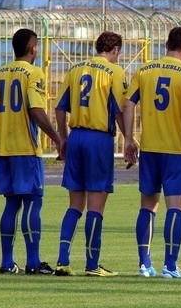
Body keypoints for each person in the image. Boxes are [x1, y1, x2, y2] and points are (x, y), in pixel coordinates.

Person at [0, 28, 61, 275]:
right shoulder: (34, 73)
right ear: (33, 48)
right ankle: (33, 263)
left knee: (11, 204)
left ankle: (7, 262)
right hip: (26, 150)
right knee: (33, 202)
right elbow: (36, 110)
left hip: (4, 150)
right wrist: (57, 138)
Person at [123, 27, 181, 278]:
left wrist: (128, 138)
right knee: (176, 208)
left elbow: (128, 103)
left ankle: (144, 263)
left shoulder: (144, 70)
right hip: (177, 150)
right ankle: (170, 265)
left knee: (147, 206)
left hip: (150, 149)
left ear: (166, 45)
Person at [53, 32, 126, 277]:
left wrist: (63, 137)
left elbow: (60, 107)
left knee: (75, 205)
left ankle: (62, 261)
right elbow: (119, 110)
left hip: (76, 137)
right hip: (98, 140)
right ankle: (92, 264)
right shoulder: (114, 72)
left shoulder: (75, 69)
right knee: (96, 206)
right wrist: (129, 138)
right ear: (115, 50)